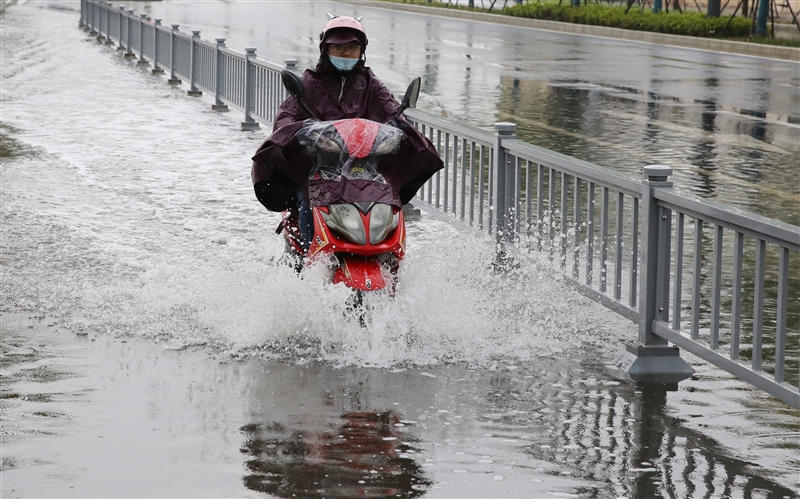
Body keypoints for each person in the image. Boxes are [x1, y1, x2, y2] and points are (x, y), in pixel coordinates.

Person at [251, 14, 442, 254]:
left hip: (366, 167)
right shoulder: (310, 83)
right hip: (318, 168)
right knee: (309, 201)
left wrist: (400, 132)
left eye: (352, 47)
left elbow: (392, 113)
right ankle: (312, 258)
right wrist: (304, 132)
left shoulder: (370, 83)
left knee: (390, 203)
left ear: (361, 50)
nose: (345, 53)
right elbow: (286, 119)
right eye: (338, 47)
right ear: (325, 48)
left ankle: (390, 256)